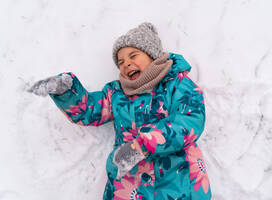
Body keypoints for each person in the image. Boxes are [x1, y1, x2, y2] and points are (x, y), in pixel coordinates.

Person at [28, 22, 212, 200]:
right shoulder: (117, 94)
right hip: (130, 185)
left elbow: (190, 120)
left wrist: (143, 144)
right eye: (121, 62)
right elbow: (88, 110)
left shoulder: (176, 84)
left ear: (152, 55)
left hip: (179, 180)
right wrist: (65, 89)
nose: (126, 64)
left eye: (133, 56)